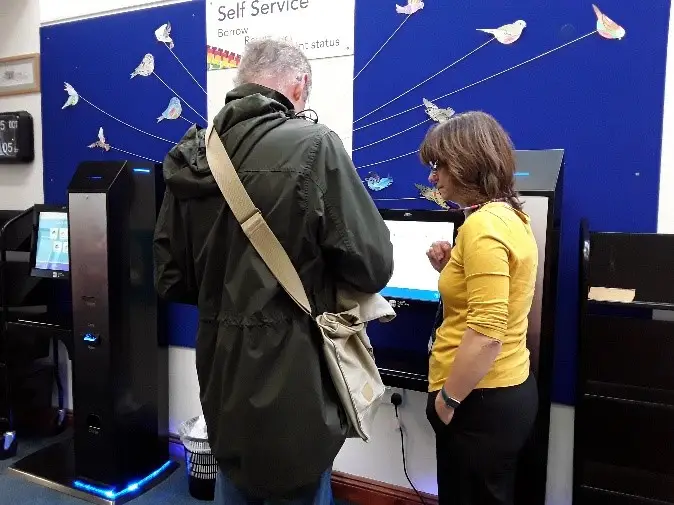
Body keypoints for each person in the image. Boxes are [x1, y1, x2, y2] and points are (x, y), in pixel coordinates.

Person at [153, 38, 393, 504]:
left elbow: (171, 278)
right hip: (295, 368)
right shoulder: (315, 146)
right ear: (300, 85)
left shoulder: (192, 155)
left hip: (220, 365)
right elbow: (373, 263)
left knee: (233, 480)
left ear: (241, 83)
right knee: (298, 480)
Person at [421, 111, 539, 505]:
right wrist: (452, 267)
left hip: (477, 401)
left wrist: (447, 402)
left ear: (466, 162)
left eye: (439, 166)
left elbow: (487, 332)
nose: (433, 178)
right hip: (501, 394)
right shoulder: (509, 217)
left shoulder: (483, 227)